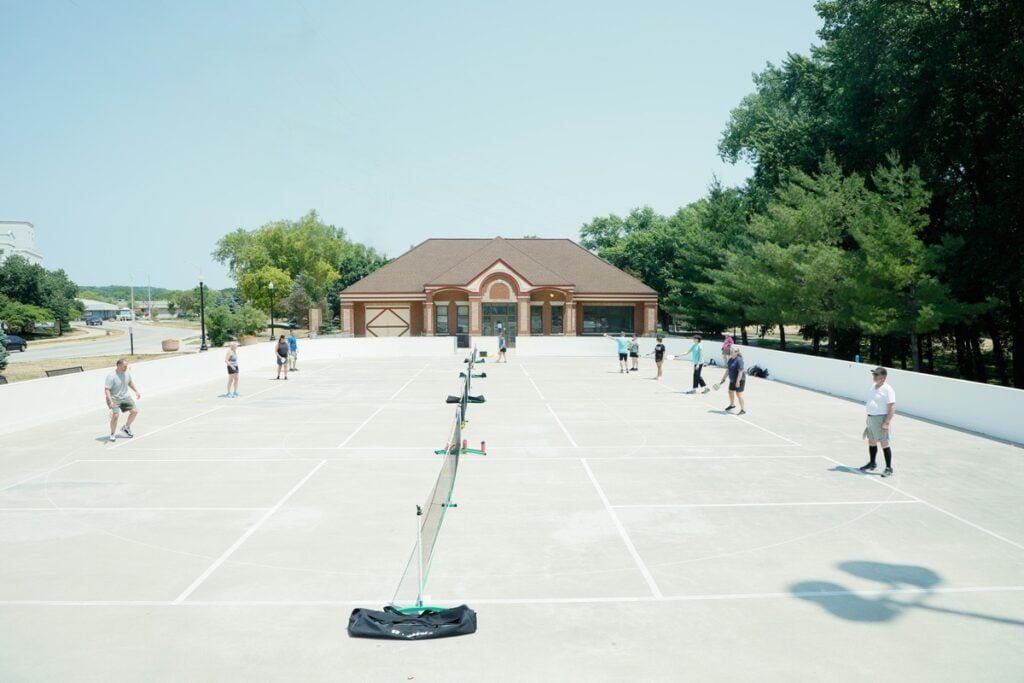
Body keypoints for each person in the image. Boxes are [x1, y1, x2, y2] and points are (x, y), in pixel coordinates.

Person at [860, 367, 896, 477]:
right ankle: (872, 463)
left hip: (881, 419)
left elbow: (892, 406)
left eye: (876, 375)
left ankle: (889, 468)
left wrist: (887, 422)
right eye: (874, 374)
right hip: (871, 418)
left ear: (883, 377)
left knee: (884, 443)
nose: (874, 376)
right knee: (871, 441)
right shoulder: (873, 386)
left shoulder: (888, 389)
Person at [104, 358, 141, 442]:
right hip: (114, 398)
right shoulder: (111, 376)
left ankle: (126, 427)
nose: (126, 368)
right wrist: (110, 401)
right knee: (116, 416)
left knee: (134, 411)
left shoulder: (127, 373)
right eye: (124, 366)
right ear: (118, 366)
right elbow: (107, 389)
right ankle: (112, 434)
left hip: (125, 397)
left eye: (127, 366)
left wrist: (136, 391)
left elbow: (130, 382)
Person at [718, 347, 746, 415]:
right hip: (732, 379)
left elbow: (740, 371)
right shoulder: (730, 360)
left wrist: (738, 381)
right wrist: (723, 378)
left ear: (737, 352)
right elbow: (728, 370)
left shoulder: (739, 360)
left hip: (740, 380)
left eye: (733, 351)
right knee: (730, 391)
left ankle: (743, 410)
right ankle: (732, 405)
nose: (731, 353)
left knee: (738, 394)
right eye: (730, 351)